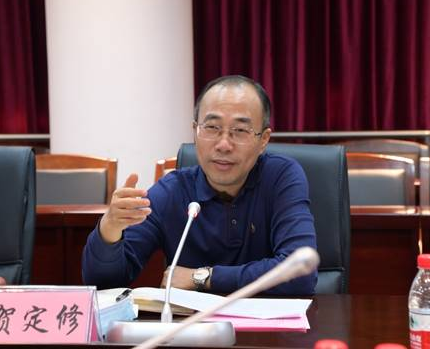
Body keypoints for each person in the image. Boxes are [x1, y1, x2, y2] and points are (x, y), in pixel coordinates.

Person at [82, 75, 318, 295]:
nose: (223, 144)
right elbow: (102, 283)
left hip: (269, 326)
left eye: (240, 130)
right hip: (190, 326)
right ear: (195, 132)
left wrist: (202, 277)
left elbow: (301, 272)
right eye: (212, 128)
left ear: (263, 140)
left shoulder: (281, 178)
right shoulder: (172, 191)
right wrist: (110, 228)